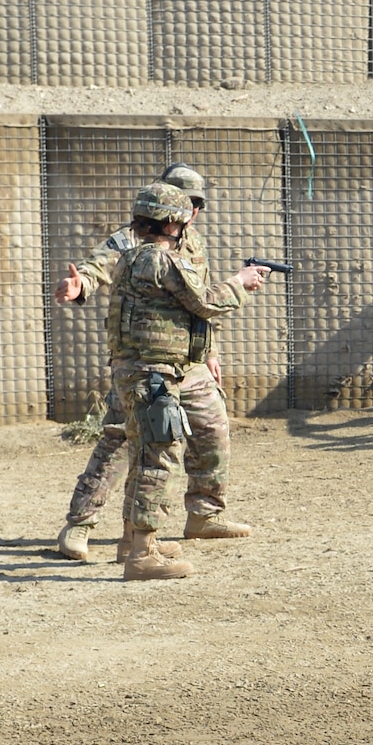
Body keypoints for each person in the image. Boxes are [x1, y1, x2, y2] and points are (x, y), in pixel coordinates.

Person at [53, 163, 250, 562]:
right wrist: (80, 287)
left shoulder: (190, 242)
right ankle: (80, 524)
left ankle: (204, 513)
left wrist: (209, 353)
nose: (192, 211)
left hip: (188, 362)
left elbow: (191, 304)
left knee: (212, 427)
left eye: (197, 203)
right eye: (185, 202)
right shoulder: (133, 239)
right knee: (118, 439)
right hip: (146, 362)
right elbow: (96, 269)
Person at [108, 182, 267, 581]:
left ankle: (133, 541)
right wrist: (241, 283)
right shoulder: (164, 262)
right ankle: (142, 556)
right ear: (174, 222)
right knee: (156, 458)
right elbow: (205, 303)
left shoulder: (130, 258)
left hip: (141, 372)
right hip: (154, 376)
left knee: (146, 453)